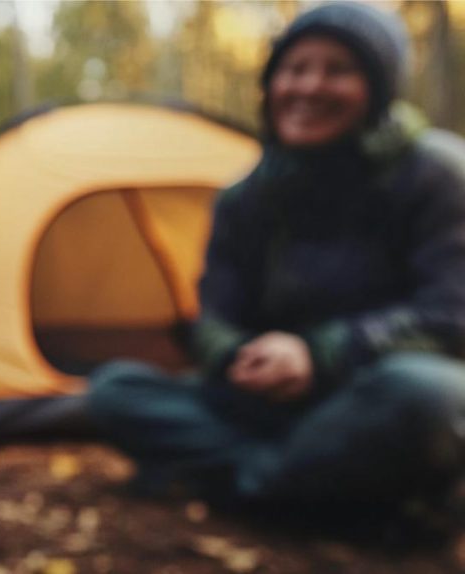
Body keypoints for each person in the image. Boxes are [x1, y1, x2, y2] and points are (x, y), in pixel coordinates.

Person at [88, 2, 465, 514]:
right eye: (294, 69)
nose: (308, 87)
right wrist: (236, 356)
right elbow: (213, 315)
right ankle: (302, 484)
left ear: (378, 88)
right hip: (272, 404)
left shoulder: (436, 173)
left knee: (428, 396)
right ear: (272, 86)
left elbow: (451, 316)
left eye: (338, 70)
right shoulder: (247, 195)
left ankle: (248, 481)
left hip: (370, 394)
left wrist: (320, 355)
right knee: (114, 391)